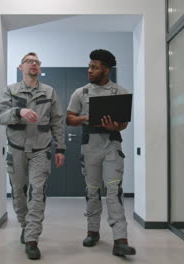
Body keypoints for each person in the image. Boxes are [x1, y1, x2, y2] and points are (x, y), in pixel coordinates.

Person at [0, 52, 66, 260]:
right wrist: (19, 112)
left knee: (37, 193)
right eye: (29, 61)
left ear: (39, 67)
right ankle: (26, 227)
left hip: (41, 151)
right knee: (19, 193)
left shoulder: (49, 92)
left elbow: (57, 122)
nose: (33, 64)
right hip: (16, 150)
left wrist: (60, 148)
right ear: (21, 67)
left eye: (36, 62)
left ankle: (33, 238)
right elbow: (0, 116)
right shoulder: (11, 90)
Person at [66, 49, 136, 257]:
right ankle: (93, 231)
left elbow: (123, 124)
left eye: (94, 67)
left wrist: (114, 126)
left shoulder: (121, 92)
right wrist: (85, 118)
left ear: (106, 70)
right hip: (90, 147)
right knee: (93, 191)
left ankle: (120, 240)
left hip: (111, 146)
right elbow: (69, 118)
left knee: (114, 191)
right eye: (89, 66)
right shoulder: (81, 93)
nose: (90, 70)